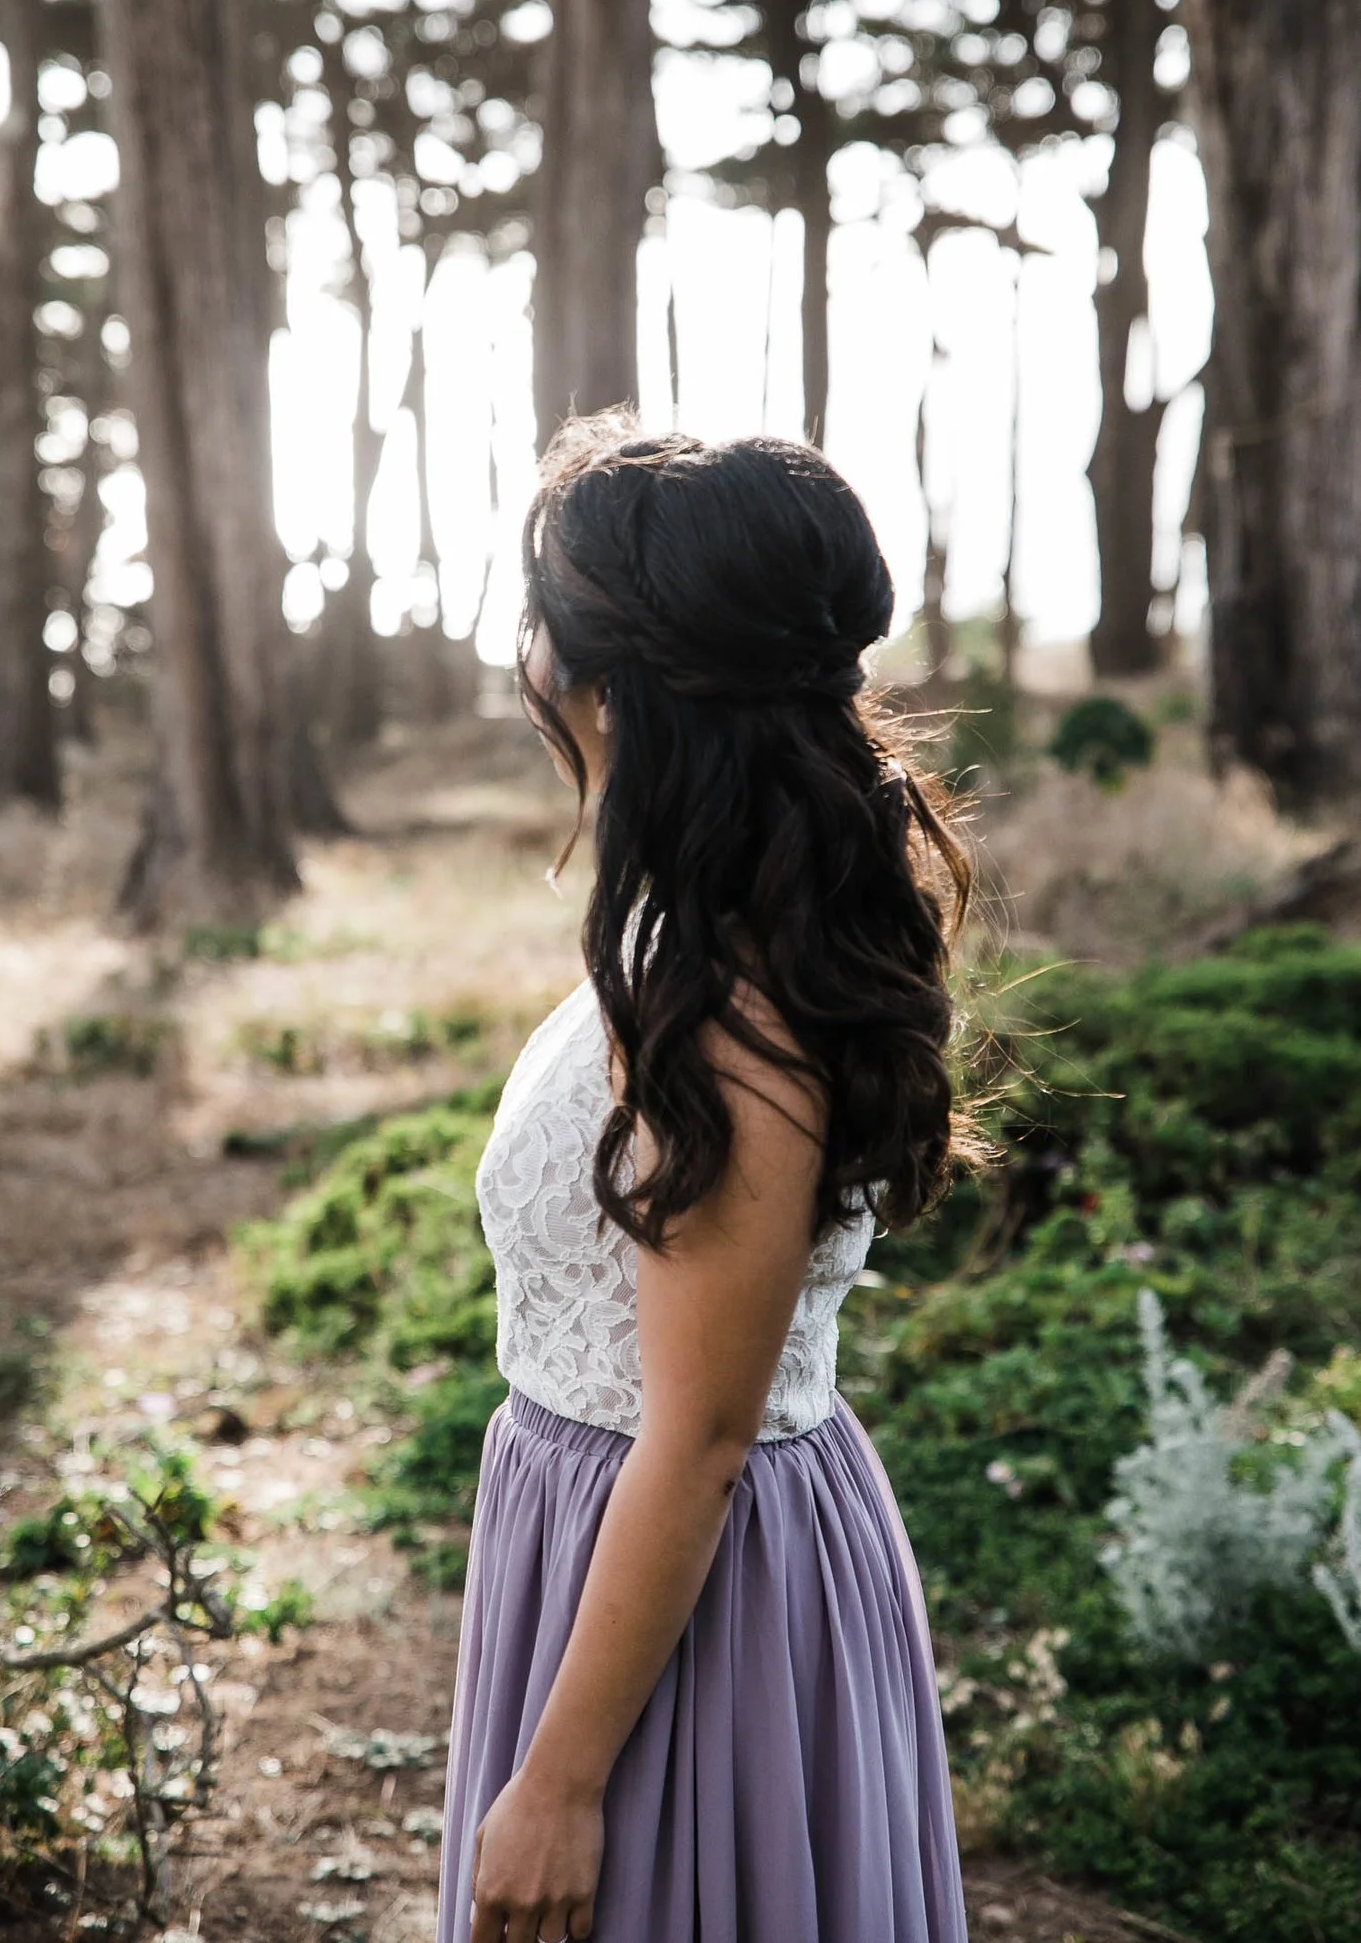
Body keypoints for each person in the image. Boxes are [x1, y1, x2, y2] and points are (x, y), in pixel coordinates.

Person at [436, 419, 975, 1943]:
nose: (523, 647)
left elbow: (702, 1434)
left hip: (700, 1595)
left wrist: (558, 1779)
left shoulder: (731, 1013)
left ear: (603, 674)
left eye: (538, 610)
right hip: (596, 1540)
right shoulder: (698, 935)